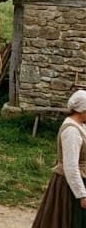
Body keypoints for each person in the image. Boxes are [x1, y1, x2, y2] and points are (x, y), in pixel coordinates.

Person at [32, 89, 86, 228]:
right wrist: (81, 194)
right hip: (68, 186)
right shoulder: (72, 131)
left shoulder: (81, 126)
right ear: (82, 110)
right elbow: (71, 166)